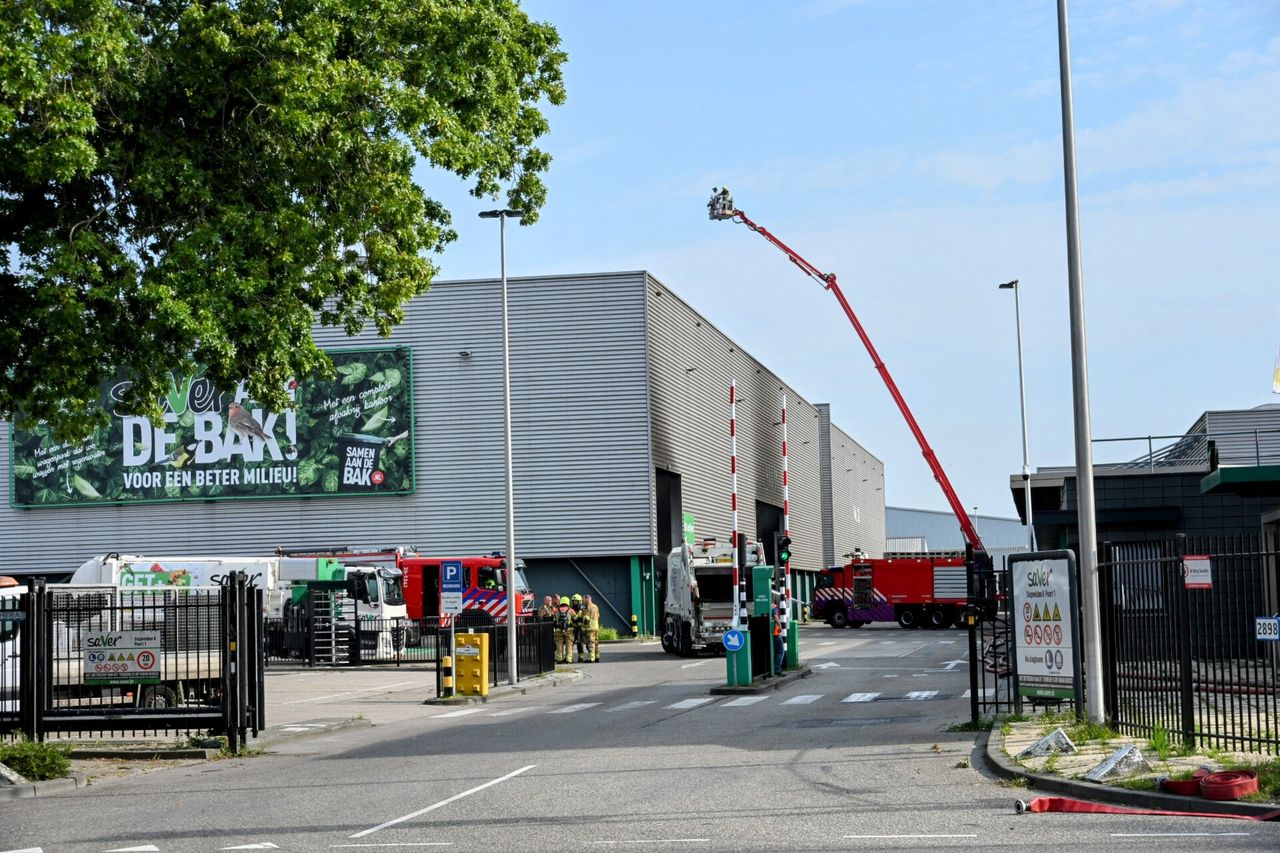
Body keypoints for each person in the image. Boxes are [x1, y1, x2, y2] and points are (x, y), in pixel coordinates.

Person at [553, 596, 576, 664]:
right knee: (569, 644)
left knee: (559, 644)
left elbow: (554, 619)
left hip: (558, 630)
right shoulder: (571, 610)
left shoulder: (556, 610)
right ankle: (569, 659)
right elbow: (575, 618)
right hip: (569, 630)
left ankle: (559, 658)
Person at [582, 594, 601, 663]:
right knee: (595, 642)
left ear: (587, 599)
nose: (583, 601)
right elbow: (598, 615)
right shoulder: (595, 606)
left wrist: (583, 627)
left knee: (590, 643)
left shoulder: (587, 607)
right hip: (596, 627)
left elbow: (586, 618)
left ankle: (591, 658)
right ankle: (597, 657)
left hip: (590, 628)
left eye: (583, 599)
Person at [570, 593, 587, 662]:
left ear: (579, 601)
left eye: (576, 601)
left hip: (580, 629)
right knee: (571, 643)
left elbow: (586, 618)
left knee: (580, 643)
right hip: (573, 629)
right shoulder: (571, 609)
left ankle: (581, 657)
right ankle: (570, 658)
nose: (574, 603)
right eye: (573, 601)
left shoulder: (583, 609)